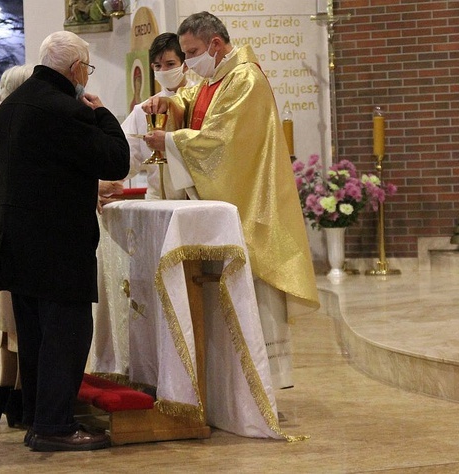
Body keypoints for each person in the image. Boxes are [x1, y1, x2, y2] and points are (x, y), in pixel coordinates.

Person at [142, 11, 319, 390]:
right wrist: (169, 107)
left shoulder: (246, 79)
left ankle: (259, 379)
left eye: (191, 53)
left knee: (254, 293)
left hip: (251, 206)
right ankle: (230, 382)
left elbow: (223, 142)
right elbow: (189, 102)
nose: (188, 63)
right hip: (228, 212)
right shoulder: (216, 79)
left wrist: (170, 142)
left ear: (216, 45)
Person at [0, 30, 130, 452]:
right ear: (74, 70)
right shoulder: (64, 110)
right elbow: (115, 160)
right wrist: (103, 113)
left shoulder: (12, 105)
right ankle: (55, 426)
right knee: (66, 333)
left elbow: (42, 170)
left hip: (16, 240)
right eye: (85, 69)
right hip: (56, 245)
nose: (85, 78)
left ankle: (37, 415)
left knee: (34, 335)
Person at [0, 65, 33, 427]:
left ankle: (4, 389)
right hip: (14, 234)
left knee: (9, 321)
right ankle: (18, 395)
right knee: (19, 320)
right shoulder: (14, 133)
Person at [118, 32, 194, 201]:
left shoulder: (201, 100)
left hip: (196, 198)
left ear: (185, 65)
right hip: (157, 199)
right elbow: (127, 154)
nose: (164, 71)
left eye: (170, 64)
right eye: (158, 66)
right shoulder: (143, 110)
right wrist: (111, 180)